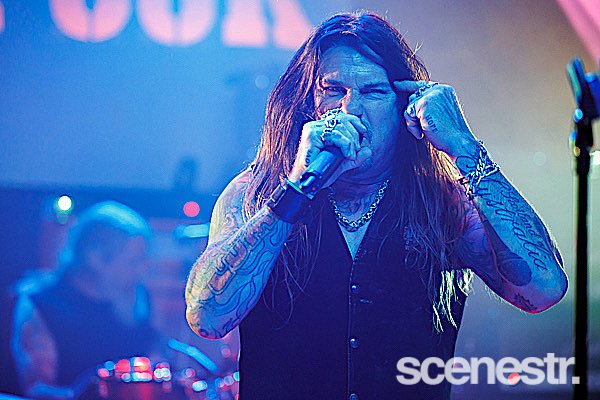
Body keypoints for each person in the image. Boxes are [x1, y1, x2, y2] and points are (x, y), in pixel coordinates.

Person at [185, 11, 568, 399]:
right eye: (333, 90)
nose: (350, 109)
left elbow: (543, 289)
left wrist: (464, 147)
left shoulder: (443, 203)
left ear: (404, 110)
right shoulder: (255, 194)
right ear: (306, 103)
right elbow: (207, 318)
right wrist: (296, 190)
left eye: (372, 92)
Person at [11, 201, 157, 399]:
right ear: (95, 259)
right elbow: (37, 388)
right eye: (133, 262)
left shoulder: (136, 297)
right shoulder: (42, 303)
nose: (142, 270)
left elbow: (151, 365)